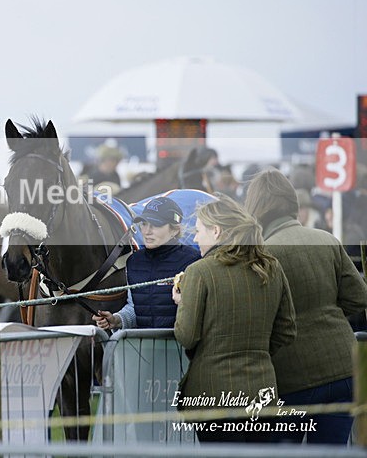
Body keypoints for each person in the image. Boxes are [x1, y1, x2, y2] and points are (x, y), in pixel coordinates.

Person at [244, 168, 367, 444]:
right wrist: (327, 308)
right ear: (293, 203)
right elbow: (359, 297)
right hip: (344, 368)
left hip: (292, 377)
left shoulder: (261, 256)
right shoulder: (327, 239)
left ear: (256, 208)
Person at [172, 194, 296, 444]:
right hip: (261, 391)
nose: (195, 239)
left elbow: (187, 335)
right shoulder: (271, 267)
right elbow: (287, 330)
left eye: (198, 231)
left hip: (213, 395)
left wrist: (182, 303)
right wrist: (256, 351)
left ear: (216, 231)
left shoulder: (199, 271)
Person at [94, 197, 200, 331]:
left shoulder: (192, 261)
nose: (147, 231)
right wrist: (116, 320)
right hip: (143, 343)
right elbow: (135, 309)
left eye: (156, 225)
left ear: (174, 230)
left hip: (181, 343)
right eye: (144, 223)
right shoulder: (134, 261)